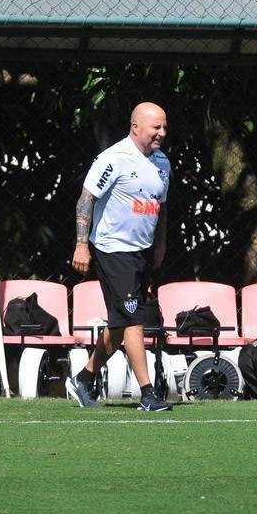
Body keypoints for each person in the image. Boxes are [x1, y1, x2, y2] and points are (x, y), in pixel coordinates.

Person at [68, 102, 172, 411]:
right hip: (113, 249)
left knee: (119, 323)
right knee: (134, 320)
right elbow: (86, 199)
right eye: (156, 127)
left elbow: (160, 206)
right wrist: (81, 244)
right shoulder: (114, 159)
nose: (162, 133)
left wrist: (160, 245)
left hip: (141, 251)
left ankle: (84, 379)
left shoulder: (163, 162)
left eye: (165, 127)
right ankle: (148, 394)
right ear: (136, 127)